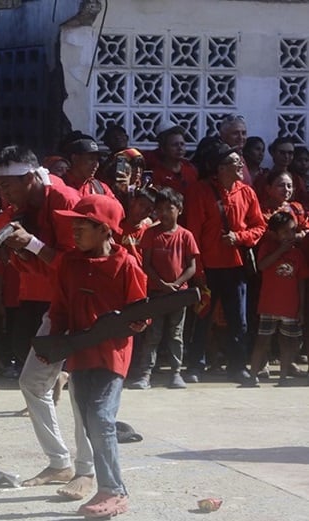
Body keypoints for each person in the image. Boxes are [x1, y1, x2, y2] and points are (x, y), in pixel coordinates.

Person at [0, 146, 94, 500]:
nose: (4, 195)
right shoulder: (25, 207)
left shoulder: (65, 199)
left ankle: (87, 472)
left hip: (89, 303)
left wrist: (30, 243)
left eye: (8, 186)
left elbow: (77, 264)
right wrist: (16, 250)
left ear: (30, 178)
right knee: (32, 381)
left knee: (83, 387)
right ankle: (59, 462)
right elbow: (42, 270)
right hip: (60, 303)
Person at [48, 194, 149, 518]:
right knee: (90, 422)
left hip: (111, 355)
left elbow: (141, 311)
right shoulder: (69, 263)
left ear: (106, 230)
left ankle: (113, 491)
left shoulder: (126, 263)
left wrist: (136, 321)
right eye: (74, 225)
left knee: (102, 417)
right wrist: (53, 349)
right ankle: (109, 485)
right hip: (79, 355)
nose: (75, 231)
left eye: (83, 226)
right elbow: (60, 308)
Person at [185, 143, 266, 386]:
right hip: (208, 267)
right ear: (220, 168)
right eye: (234, 161)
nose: (241, 164)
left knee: (238, 320)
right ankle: (195, 366)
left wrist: (239, 237)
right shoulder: (200, 191)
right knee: (202, 319)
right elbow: (193, 235)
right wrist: (197, 271)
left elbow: (259, 226)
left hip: (236, 267)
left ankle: (237, 367)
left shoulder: (247, 192)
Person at [130, 187, 200, 389]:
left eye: (169, 208)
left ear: (179, 209)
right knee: (153, 333)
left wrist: (176, 285)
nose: (164, 213)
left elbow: (191, 266)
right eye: (159, 209)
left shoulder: (186, 235)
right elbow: (147, 264)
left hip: (179, 295)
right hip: (156, 293)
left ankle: (176, 373)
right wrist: (161, 284)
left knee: (175, 334)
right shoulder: (151, 234)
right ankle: (145, 374)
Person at [248, 211, 307, 385]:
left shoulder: (297, 255)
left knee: (288, 342)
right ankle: (252, 376)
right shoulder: (267, 247)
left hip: (290, 306)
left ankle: (283, 378)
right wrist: (281, 250)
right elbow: (262, 265)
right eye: (285, 232)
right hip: (269, 305)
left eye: (292, 231)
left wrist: (301, 308)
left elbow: (301, 282)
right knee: (262, 341)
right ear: (274, 233)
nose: (290, 235)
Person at [146, 125, 198, 198]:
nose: (180, 148)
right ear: (164, 148)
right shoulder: (156, 174)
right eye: (175, 145)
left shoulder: (191, 170)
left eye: (182, 144)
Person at [217, 114, 252, 184]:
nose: (241, 137)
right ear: (223, 135)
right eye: (235, 133)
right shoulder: (220, 160)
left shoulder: (240, 156)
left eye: (244, 133)